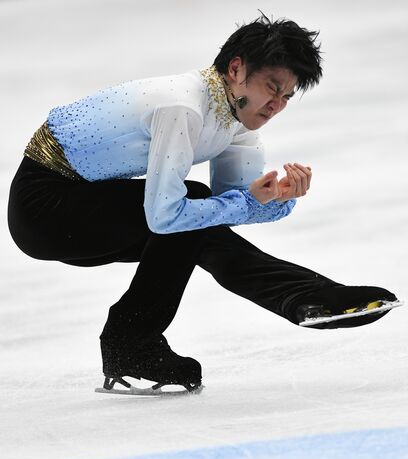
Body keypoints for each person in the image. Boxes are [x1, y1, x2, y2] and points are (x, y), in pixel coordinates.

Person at [7, 12, 400, 394]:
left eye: (287, 96)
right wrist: (244, 202)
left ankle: (306, 300)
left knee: (201, 225)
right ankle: (131, 341)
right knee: (189, 206)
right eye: (272, 87)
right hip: (45, 210)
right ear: (236, 69)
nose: (277, 104)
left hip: (90, 208)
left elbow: (230, 206)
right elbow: (165, 216)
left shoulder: (238, 122)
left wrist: (277, 197)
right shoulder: (183, 107)